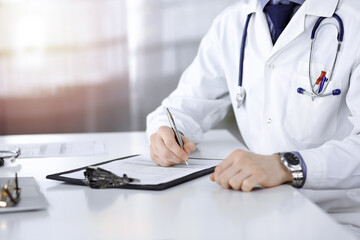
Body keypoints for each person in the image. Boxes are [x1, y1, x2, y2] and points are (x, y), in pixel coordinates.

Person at [146, 0, 360, 193]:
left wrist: (286, 166)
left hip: (337, 215)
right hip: (259, 200)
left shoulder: (354, 20)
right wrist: (167, 132)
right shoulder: (231, 23)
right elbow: (185, 104)